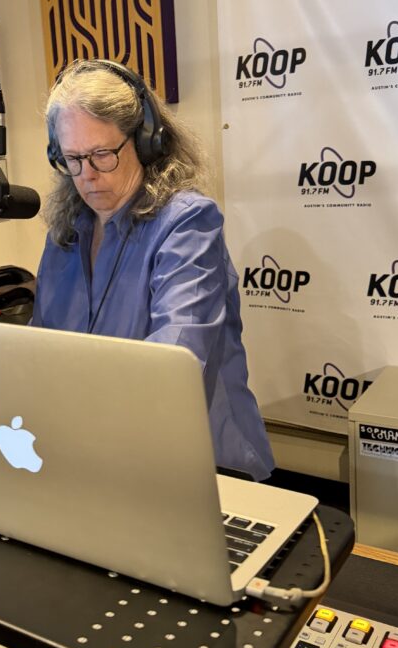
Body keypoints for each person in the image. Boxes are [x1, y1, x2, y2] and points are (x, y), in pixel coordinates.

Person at [30, 58, 274, 482]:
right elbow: (38, 355)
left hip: (203, 466)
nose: (87, 176)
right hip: (98, 460)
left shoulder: (187, 223)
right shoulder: (66, 234)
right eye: (73, 159)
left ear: (146, 143)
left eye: (102, 155)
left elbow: (170, 368)